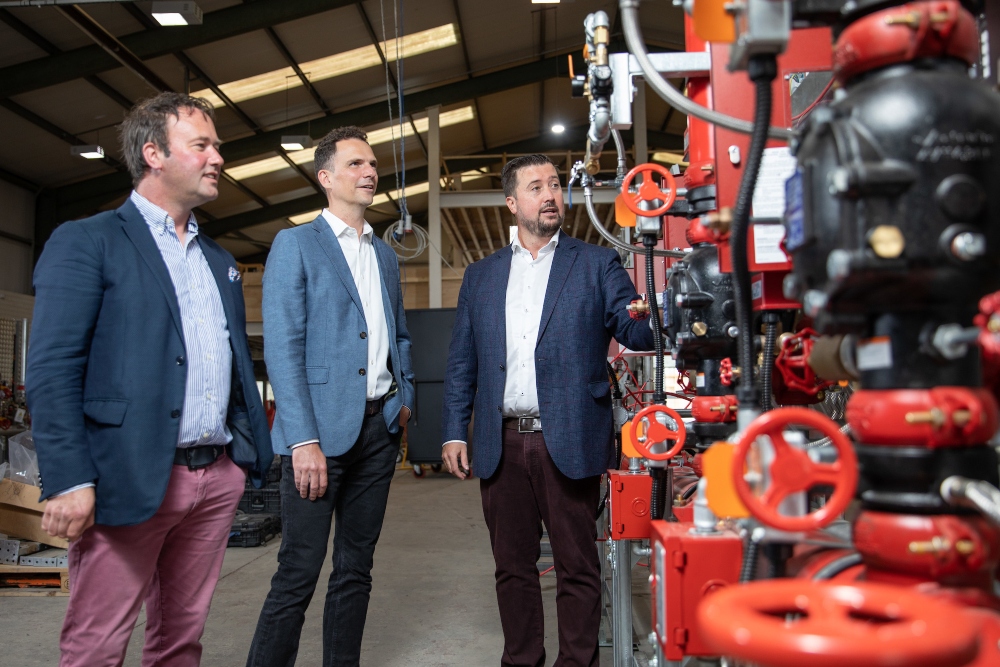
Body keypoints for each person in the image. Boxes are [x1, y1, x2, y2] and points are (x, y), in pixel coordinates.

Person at [27, 92, 274, 667]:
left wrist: (238, 458)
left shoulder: (218, 260)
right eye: (202, 145)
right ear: (154, 153)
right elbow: (52, 368)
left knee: (180, 641)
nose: (218, 158)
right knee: (97, 644)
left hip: (212, 478)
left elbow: (233, 360)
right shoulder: (88, 241)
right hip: (128, 475)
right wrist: (68, 478)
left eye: (218, 146)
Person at [441, 154, 655, 666]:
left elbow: (635, 331)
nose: (551, 195)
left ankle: (577, 663)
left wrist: (662, 311)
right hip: (502, 441)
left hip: (572, 435)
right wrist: (453, 431)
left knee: (577, 566)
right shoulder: (481, 276)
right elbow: (462, 361)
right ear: (512, 203)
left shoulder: (595, 263)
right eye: (536, 187)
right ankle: (522, 661)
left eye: (556, 185)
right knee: (512, 569)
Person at [246, 126, 414, 667]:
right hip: (318, 436)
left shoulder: (385, 255)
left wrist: (402, 394)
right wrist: (304, 440)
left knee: (355, 568)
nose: (370, 173)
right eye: (357, 165)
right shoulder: (296, 244)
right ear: (326, 178)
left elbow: (399, 334)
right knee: (298, 570)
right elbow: (284, 348)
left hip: (377, 431)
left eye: (373, 165)